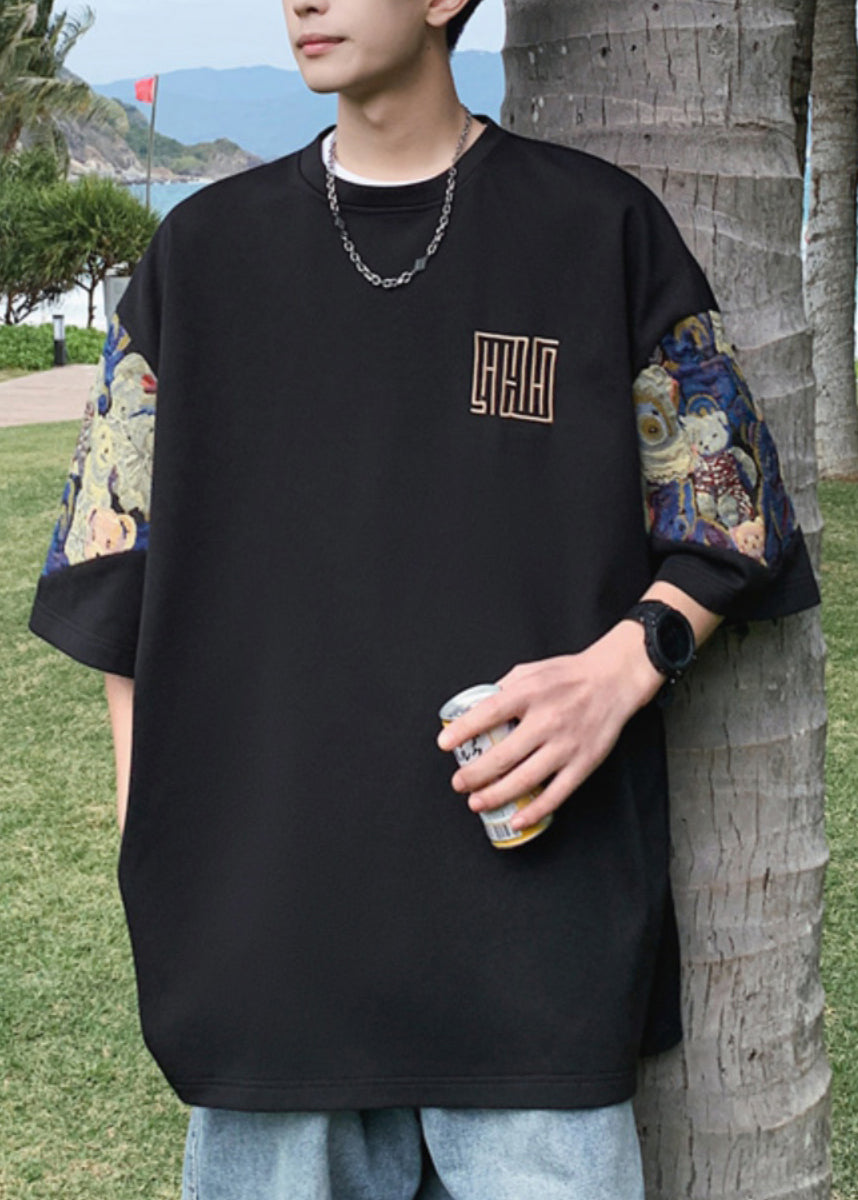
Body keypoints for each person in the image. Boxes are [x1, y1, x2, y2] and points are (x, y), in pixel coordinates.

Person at [26, 0, 822, 1193]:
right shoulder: (198, 259)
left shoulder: (597, 230)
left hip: (536, 964)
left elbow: (731, 509)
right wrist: (169, 892)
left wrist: (621, 671)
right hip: (270, 969)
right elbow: (111, 589)